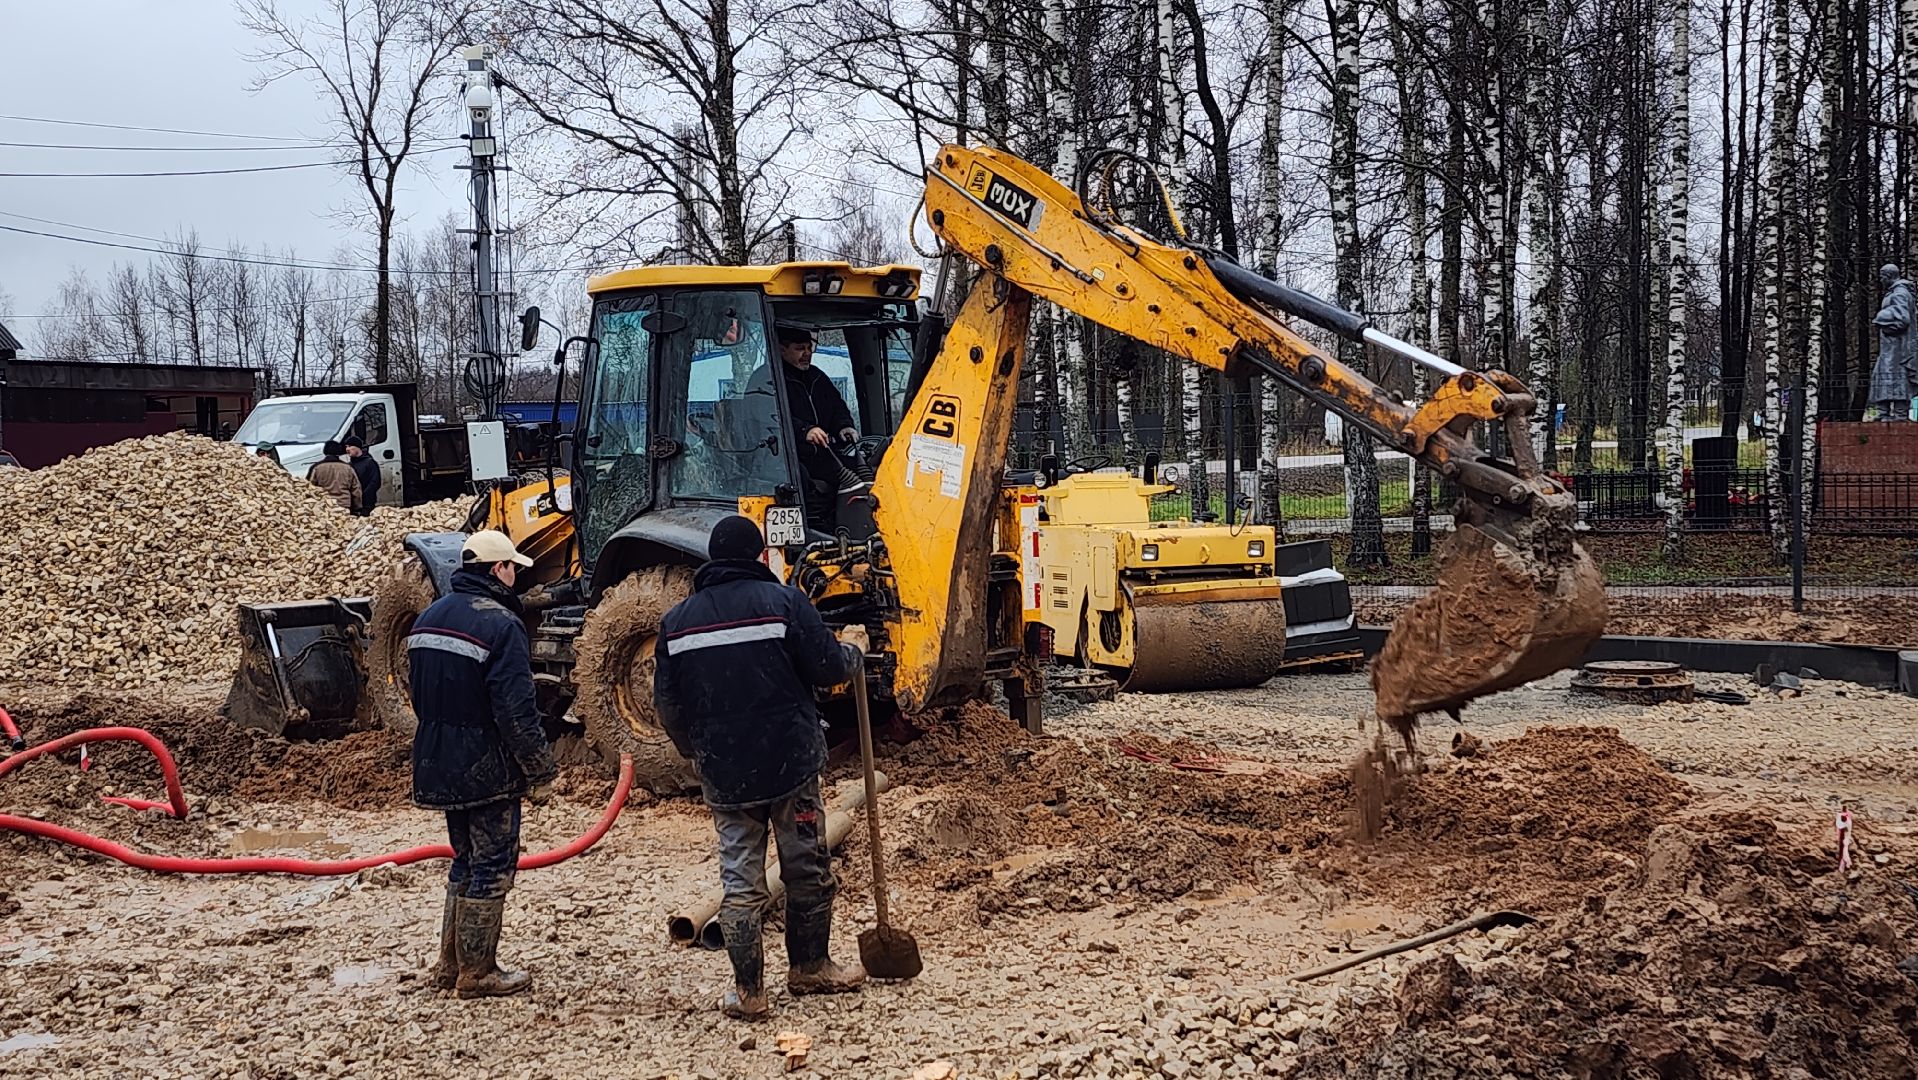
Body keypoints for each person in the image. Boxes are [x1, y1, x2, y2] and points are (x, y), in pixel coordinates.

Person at [653, 515, 867, 1020]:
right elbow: (829, 668)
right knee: (806, 868)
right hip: (791, 765)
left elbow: (668, 706)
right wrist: (853, 651)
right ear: (757, 556)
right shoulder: (785, 604)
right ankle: (810, 968)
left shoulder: (677, 623)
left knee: (741, 882)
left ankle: (749, 993)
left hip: (726, 775)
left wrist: (697, 751)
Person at [407, 530, 558, 999]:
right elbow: (516, 709)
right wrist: (539, 770)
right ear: (499, 570)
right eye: (514, 567)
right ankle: (478, 972)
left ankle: (449, 966)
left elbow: (418, 692)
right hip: (485, 763)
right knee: (492, 861)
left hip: (437, 755)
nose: (517, 575)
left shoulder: (429, 616)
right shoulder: (502, 624)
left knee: (464, 860)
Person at [773, 326, 858, 519]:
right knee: (798, 479)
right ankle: (810, 525)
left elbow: (836, 406)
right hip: (785, 458)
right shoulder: (770, 380)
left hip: (822, 454)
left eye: (809, 348)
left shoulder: (817, 377)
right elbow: (770, 417)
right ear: (782, 349)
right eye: (799, 348)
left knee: (861, 471)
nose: (807, 354)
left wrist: (844, 425)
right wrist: (805, 431)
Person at [1872, 263, 1917, 421]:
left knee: (1896, 377)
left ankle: (1899, 414)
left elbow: (1902, 319)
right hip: (1891, 346)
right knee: (1884, 375)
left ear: (1889, 276)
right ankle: (1883, 413)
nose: (1881, 279)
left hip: (1898, 347)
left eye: (1882, 276)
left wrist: (1881, 318)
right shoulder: (1896, 292)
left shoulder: (1900, 293)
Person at [306, 440, 362, 512]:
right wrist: (357, 507)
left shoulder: (316, 467)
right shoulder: (348, 468)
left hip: (323, 505)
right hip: (344, 505)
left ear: (325, 451)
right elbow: (356, 489)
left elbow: (309, 487)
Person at [343, 436, 382, 514]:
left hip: (367, 504)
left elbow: (375, 482)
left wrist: (364, 495)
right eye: (346, 447)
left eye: (350, 446)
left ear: (358, 447)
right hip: (353, 504)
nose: (347, 449)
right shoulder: (349, 465)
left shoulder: (370, 462)